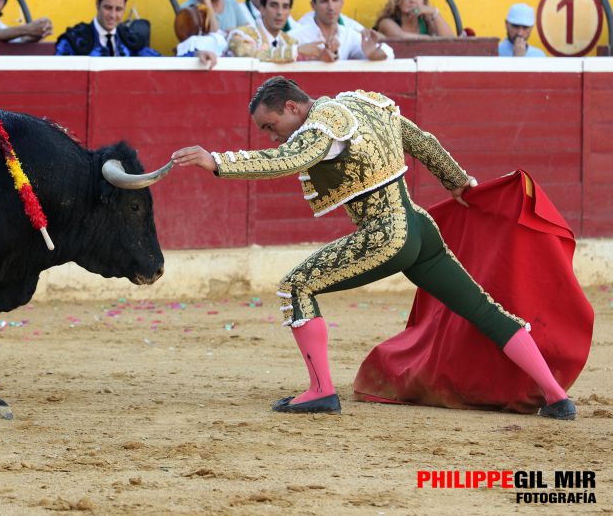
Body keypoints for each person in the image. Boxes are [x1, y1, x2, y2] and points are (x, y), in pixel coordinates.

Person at [170, 75, 577, 421]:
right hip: (420, 227)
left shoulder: (320, 128)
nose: (272, 135)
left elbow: (287, 161)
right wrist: (456, 181)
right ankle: (556, 397)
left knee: (295, 286)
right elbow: (419, 140)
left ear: (293, 107)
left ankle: (320, 391)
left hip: (386, 234)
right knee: (484, 310)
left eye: (271, 125)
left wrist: (218, 162)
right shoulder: (363, 103)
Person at [293, 0, 393, 60]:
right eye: (324, 1)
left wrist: (374, 53)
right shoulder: (297, 35)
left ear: (342, 2)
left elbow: (389, 53)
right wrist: (297, 52)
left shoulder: (348, 35)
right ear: (313, 5)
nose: (331, 7)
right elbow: (282, 54)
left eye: (335, 0)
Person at [55, 0, 160, 56]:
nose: (112, 15)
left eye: (118, 9)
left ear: (124, 9)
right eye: (108, 8)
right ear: (97, 5)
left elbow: (159, 63)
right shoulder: (74, 39)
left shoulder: (130, 39)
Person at [224, 0, 323, 64]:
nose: (279, 12)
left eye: (285, 7)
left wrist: (323, 56)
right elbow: (253, 56)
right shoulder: (240, 35)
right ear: (262, 9)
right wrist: (294, 51)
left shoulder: (290, 42)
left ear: (289, 12)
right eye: (273, 6)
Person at [374, 0, 456, 38]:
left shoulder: (426, 21)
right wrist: (431, 38)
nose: (413, 1)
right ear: (398, 1)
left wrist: (434, 12)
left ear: (423, 2)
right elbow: (401, 37)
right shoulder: (386, 22)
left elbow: (451, 40)